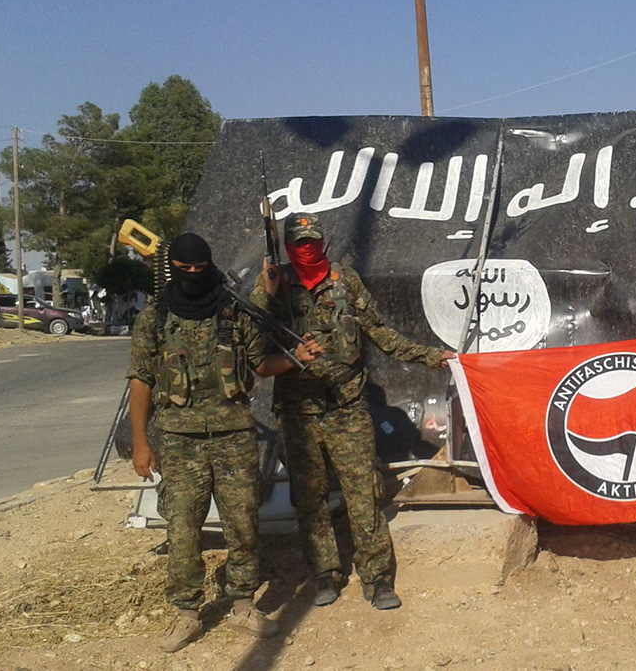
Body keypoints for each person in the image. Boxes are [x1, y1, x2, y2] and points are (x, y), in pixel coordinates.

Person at [128, 233, 321, 653]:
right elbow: (141, 379)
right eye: (185, 269)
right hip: (179, 440)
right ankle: (186, 613)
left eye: (200, 269)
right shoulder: (154, 318)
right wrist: (140, 441)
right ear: (173, 269)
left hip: (233, 436)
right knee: (182, 529)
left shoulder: (233, 310)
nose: (193, 275)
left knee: (244, 524)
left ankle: (243, 606)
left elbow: (259, 364)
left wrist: (295, 359)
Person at [252, 212, 454, 611]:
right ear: (288, 246)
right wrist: (268, 291)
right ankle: (324, 573)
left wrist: (431, 356)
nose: (307, 249)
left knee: (364, 494)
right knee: (309, 499)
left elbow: (381, 332)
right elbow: (254, 346)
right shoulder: (275, 285)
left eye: (313, 242)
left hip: (346, 407)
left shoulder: (346, 281)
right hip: (298, 413)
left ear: (323, 242)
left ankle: (377, 578)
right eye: (299, 243)